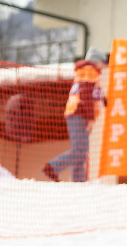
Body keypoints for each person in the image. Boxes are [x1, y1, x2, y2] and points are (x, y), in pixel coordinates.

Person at [43, 47, 107, 182]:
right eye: (102, 62)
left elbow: (91, 91)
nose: (103, 65)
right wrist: (90, 118)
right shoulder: (90, 70)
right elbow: (86, 95)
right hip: (79, 114)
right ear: (96, 61)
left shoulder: (87, 71)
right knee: (80, 150)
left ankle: (78, 181)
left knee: (81, 151)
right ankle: (52, 167)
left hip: (76, 113)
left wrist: (103, 98)